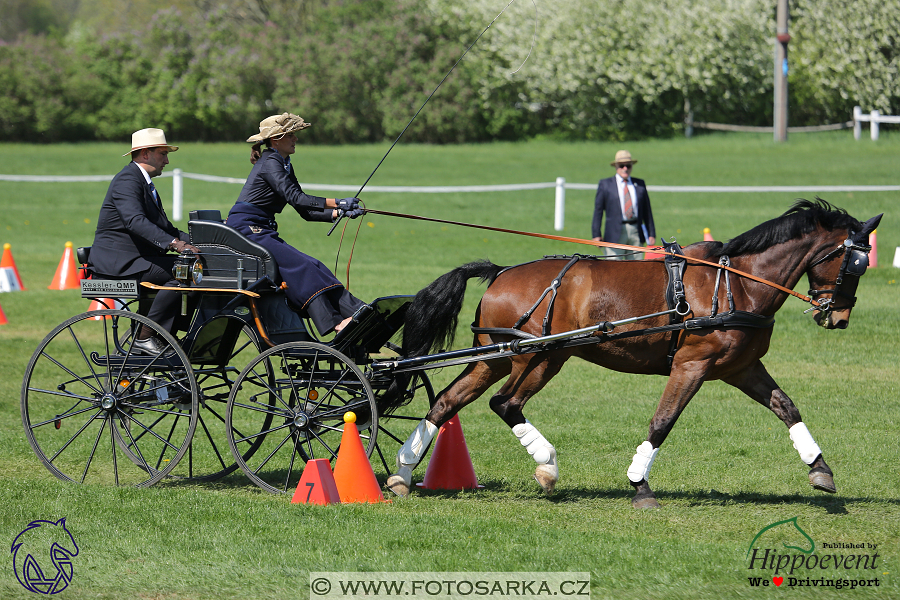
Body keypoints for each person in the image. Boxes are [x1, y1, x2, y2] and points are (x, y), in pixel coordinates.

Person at [226, 112, 366, 335]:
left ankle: (357, 311)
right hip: (246, 230)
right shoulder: (270, 162)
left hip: (262, 229)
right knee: (301, 267)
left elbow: (304, 211)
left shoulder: (283, 163)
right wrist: (338, 201)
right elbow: (298, 198)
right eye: (290, 134)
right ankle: (335, 323)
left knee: (314, 264)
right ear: (275, 140)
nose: (295, 139)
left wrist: (339, 213)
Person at [90, 128, 200, 354]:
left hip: (138, 258)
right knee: (184, 271)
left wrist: (206, 241)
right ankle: (145, 336)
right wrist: (176, 245)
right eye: (163, 154)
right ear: (145, 154)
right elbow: (135, 221)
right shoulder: (127, 180)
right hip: (121, 262)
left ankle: (164, 335)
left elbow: (167, 229)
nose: (167, 161)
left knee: (192, 269)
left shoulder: (143, 182)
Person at [591, 150, 656, 259]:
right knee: (613, 267)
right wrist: (596, 234)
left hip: (636, 231)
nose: (625, 168)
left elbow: (647, 211)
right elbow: (598, 211)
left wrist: (651, 233)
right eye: (622, 165)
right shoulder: (606, 185)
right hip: (614, 232)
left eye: (628, 165)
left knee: (636, 268)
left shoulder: (639, 184)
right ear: (616, 166)